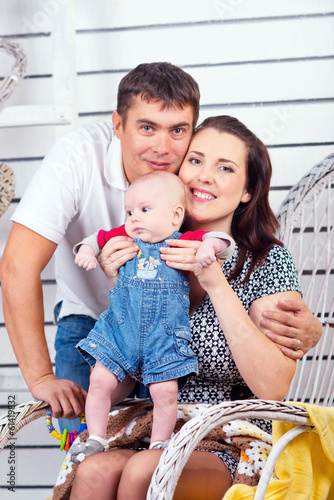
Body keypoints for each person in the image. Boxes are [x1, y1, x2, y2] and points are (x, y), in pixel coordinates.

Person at [0, 62, 322, 434]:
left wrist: (308, 329)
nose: (163, 147)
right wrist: (40, 375)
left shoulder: (192, 175)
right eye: (147, 128)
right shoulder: (77, 158)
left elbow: (261, 298)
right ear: (117, 126)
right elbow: (17, 266)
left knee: (144, 450)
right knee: (83, 445)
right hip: (95, 319)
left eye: (178, 131)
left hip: (165, 327)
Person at [69, 115, 307, 500]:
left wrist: (213, 280)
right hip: (154, 425)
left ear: (248, 190)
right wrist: (122, 286)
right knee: (94, 472)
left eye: (225, 167)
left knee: (146, 472)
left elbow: (272, 386)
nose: (204, 176)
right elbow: (126, 377)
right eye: (195, 160)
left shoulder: (268, 261)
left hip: (231, 434)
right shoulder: (140, 250)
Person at [69, 171, 234, 462]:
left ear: (175, 215)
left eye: (144, 210)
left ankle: (159, 444)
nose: (134, 218)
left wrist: (209, 247)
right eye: (129, 211)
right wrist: (86, 250)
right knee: (99, 381)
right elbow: (96, 238)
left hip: (164, 337)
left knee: (165, 392)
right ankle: (95, 437)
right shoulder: (124, 236)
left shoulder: (184, 242)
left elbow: (221, 240)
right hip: (120, 332)